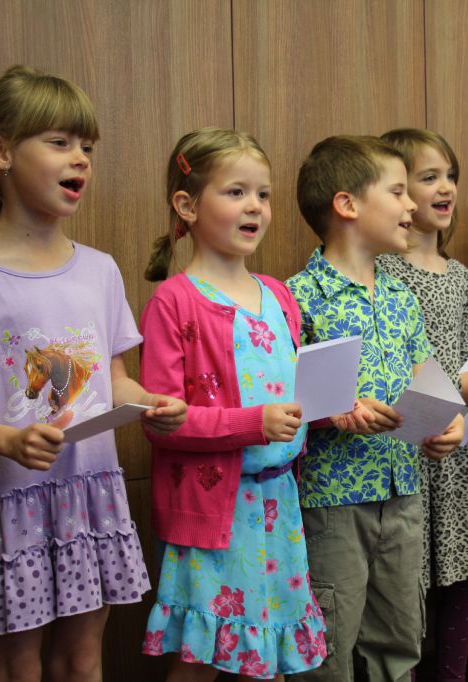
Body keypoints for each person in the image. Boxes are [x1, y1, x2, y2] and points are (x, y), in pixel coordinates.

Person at [0, 65, 186, 682]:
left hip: (90, 499)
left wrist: (148, 401)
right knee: (16, 664)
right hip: (10, 506)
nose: (80, 159)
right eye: (60, 142)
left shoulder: (99, 270)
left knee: (82, 658)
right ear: (1, 151)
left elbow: (113, 379)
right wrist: (9, 440)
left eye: (87, 146)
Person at [138, 128, 326, 680]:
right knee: (203, 658)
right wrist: (254, 423)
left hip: (279, 507)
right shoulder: (174, 301)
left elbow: (292, 393)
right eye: (236, 192)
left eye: (263, 194)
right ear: (187, 205)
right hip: (213, 514)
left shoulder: (279, 294)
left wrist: (331, 406)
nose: (255, 206)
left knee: (266, 658)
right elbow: (161, 422)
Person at [286, 135, 464, 681]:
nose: (411, 204)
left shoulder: (400, 297)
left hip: (403, 492)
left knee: (401, 641)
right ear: (347, 205)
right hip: (332, 501)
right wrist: (337, 411)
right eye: (397, 192)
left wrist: (448, 423)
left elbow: (427, 377)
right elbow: (284, 398)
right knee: (329, 647)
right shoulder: (298, 297)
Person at [376, 128, 468, 681]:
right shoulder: (384, 270)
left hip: (457, 450)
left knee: (463, 577)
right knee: (404, 585)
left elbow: (457, 355)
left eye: (449, 175)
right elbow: (400, 365)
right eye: (429, 177)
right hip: (406, 448)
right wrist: (461, 386)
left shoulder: (459, 275)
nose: (446, 187)